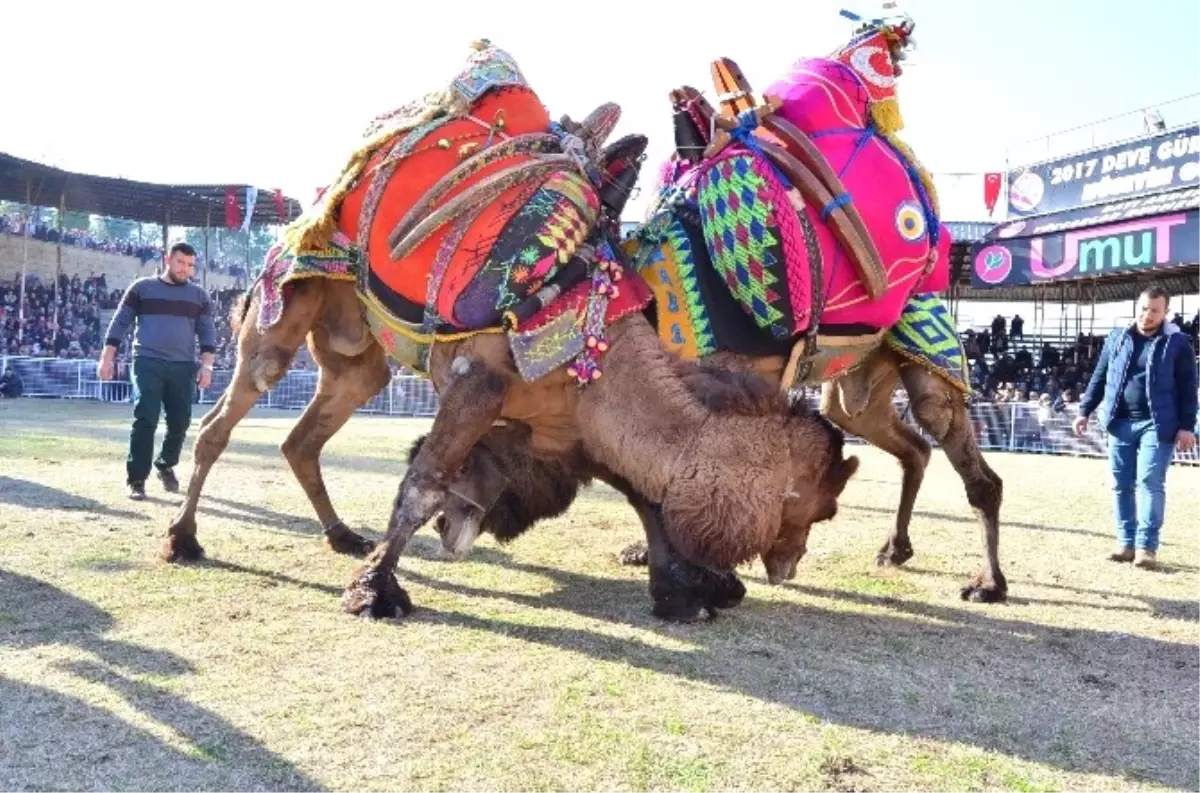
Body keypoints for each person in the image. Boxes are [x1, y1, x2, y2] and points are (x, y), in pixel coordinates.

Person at [1074, 285, 1197, 568]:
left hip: (1158, 424)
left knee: (1150, 482)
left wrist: (1187, 426)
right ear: (1137, 307)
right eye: (1144, 308)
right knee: (1120, 485)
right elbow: (1099, 376)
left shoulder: (1178, 344)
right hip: (1119, 422)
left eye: (1155, 310)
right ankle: (1126, 544)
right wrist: (1084, 411)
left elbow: (1189, 388)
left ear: (1166, 312)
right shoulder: (1117, 338)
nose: (1147, 315)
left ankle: (1146, 547)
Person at [98, 242, 216, 500]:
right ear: (167, 260)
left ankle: (165, 464)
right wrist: (107, 358)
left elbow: (208, 334)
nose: (185, 269)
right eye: (180, 262)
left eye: (190, 264)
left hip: (183, 366)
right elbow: (120, 323)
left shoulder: (199, 296)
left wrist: (207, 366)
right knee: (146, 418)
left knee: (180, 422)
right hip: (147, 362)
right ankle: (136, 479)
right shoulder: (142, 289)